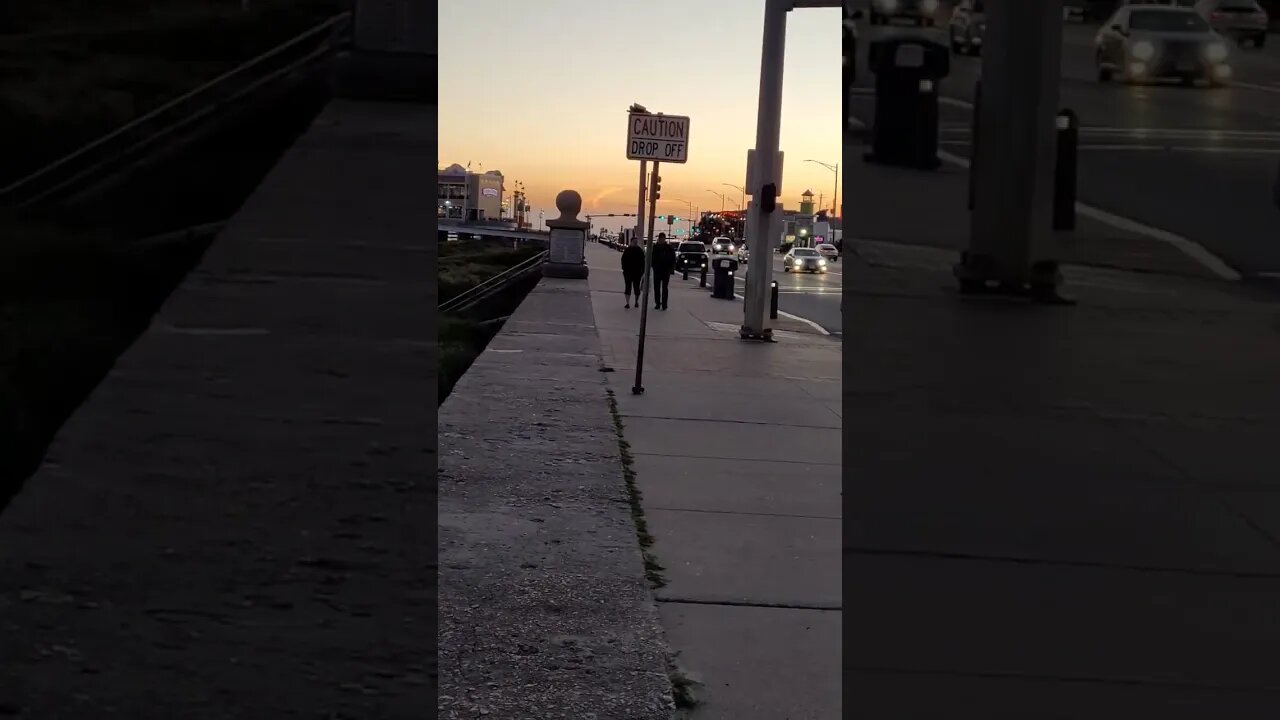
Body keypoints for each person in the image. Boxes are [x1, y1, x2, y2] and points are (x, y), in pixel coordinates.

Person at [651, 232, 676, 310]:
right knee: (657, 288)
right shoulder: (655, 247)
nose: (661, 240)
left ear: (664, 239)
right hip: (657, 270)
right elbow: (651, 258)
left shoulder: (669, 248)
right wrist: (654, 266)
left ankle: (664, 304)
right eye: (660, 238)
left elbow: (673, 258)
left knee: (665, 288)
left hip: (665, 270)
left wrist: (671, 268)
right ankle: (658, 303)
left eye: (663, 238)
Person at [621, 238, 645, 309]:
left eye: (636, 242)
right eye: (634, 242)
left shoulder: (639, 251)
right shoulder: (627, 250)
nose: (635, 243)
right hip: (628, 272)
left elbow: (643, 262)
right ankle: (627, 303)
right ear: (631, 242)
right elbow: (623, 260)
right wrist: (624, 269)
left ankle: (636, 302)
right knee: (628, 287)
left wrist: (642, 271)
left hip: (637, 273)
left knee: (636, 288)